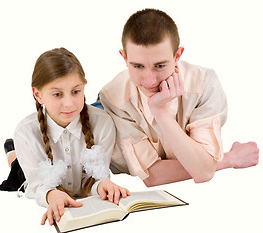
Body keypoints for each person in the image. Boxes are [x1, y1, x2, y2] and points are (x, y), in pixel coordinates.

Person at [98, 8, 259, 186]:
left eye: (159, 66)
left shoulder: (204, 84)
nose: (150, 80)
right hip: (104, 140)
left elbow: (203, 171)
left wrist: (160, 111)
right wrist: (228, 159)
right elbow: (153, 176)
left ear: (177, 56)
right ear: (124, 58)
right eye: (137, 66)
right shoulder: (112, 96)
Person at [0, 47, 130, 226]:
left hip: (64, 166)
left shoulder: (103, 124)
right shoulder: (26, 133)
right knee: (16, 169)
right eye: (57, 94)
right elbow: (38, 186)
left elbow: (94, 177)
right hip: (32, 170)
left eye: (76, 92)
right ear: (38, 95)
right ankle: (11, 150)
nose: (69, 104)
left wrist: (102, 185)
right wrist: (51, 194)